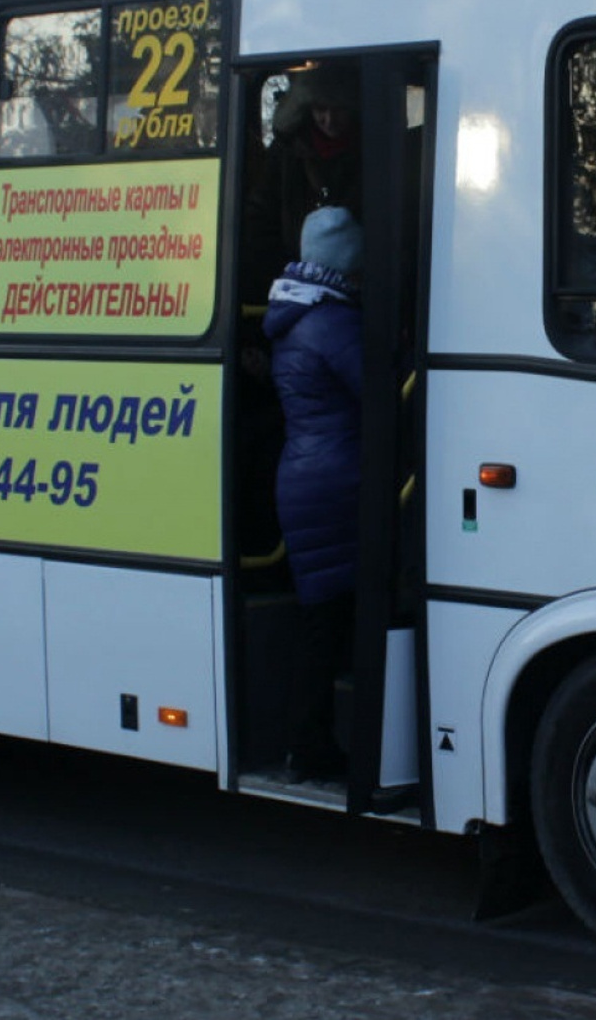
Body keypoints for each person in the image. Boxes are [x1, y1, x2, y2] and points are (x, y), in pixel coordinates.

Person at [263, 206, 365, 782]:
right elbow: (379, 384)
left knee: (320, 619)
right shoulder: (335, 322)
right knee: (327, 624)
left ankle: (308, 743)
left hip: (305, 476)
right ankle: (310, 744)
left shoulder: (297, 311)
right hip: (338, 480)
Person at [242, 64, 362, 304]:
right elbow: (259, 218)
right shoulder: (286, 152)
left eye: (338, 109)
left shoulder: (371, 150)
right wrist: (291, 277)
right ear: (307, 108)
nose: (329, 119)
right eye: (320, 109)